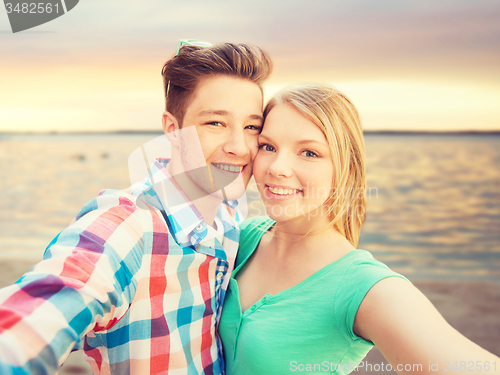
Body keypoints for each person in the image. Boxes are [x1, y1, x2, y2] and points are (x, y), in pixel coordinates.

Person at [0, 40, 272, 374]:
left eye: (251, 127)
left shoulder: (229, 220)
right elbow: (38, 315)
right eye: (215, 123)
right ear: (173, 129)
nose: (239, 147)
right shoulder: (129, 227)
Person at [219, 84, 499, 374]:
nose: (277, 167)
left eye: (309, 153)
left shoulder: (364, 287)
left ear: (346, 167)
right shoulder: (241, 238)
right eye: (268, 147)